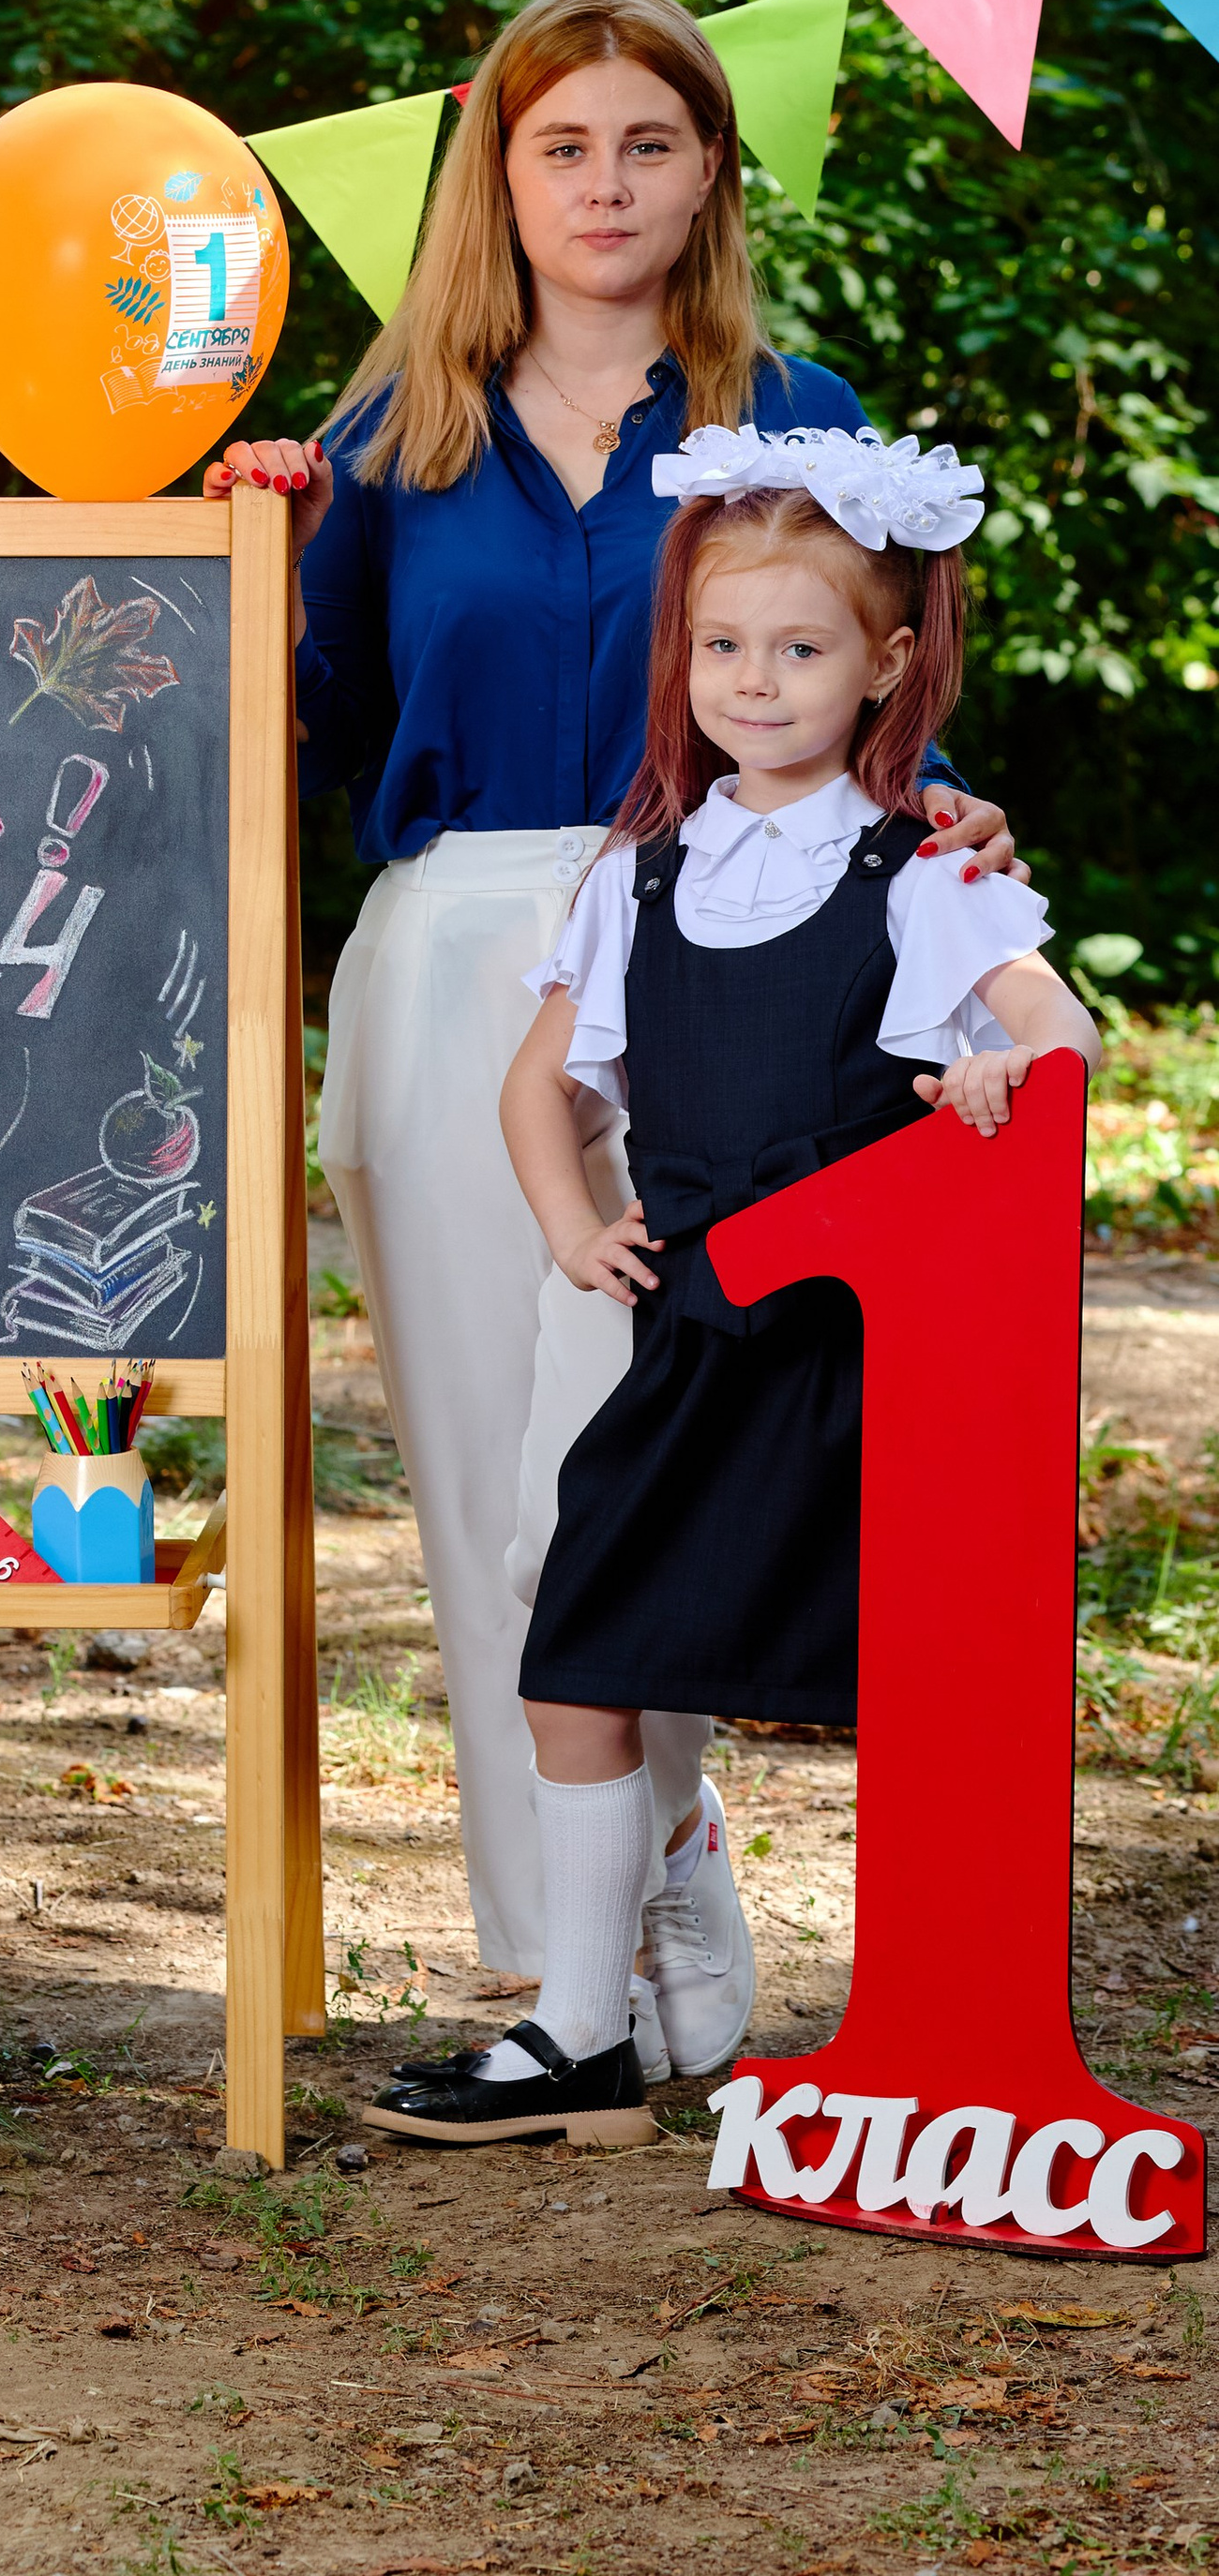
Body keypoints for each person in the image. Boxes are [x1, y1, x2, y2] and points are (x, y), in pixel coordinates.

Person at [206, 0, 1019, 2075]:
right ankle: (592, 1974)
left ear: (707, 171)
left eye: (645, 142)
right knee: (498, 1491)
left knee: (659, 1455)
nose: (602, 181)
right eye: (559, 142)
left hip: (743, 958)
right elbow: (276, 741)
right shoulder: (392, 433)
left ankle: (663, 1928)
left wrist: (934, 815)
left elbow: (882, 682)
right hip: (461, 946)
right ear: (495, 168)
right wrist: (246, 551)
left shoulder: (800, 411)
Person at [355, 424, 1096, 2148]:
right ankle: (577, 2027)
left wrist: (985, 1089)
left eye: (805, 646)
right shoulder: (642, 875)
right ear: (681, 654)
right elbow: (541, 1086)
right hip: (695, 1340)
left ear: (889, 663)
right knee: (575, 1653)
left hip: (861, 1366)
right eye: (724, 645)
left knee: (914, 1689)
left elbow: (1055, 1055)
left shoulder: (922, 876)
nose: (757, 681)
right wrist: (566, 1221)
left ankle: (949, 2033)